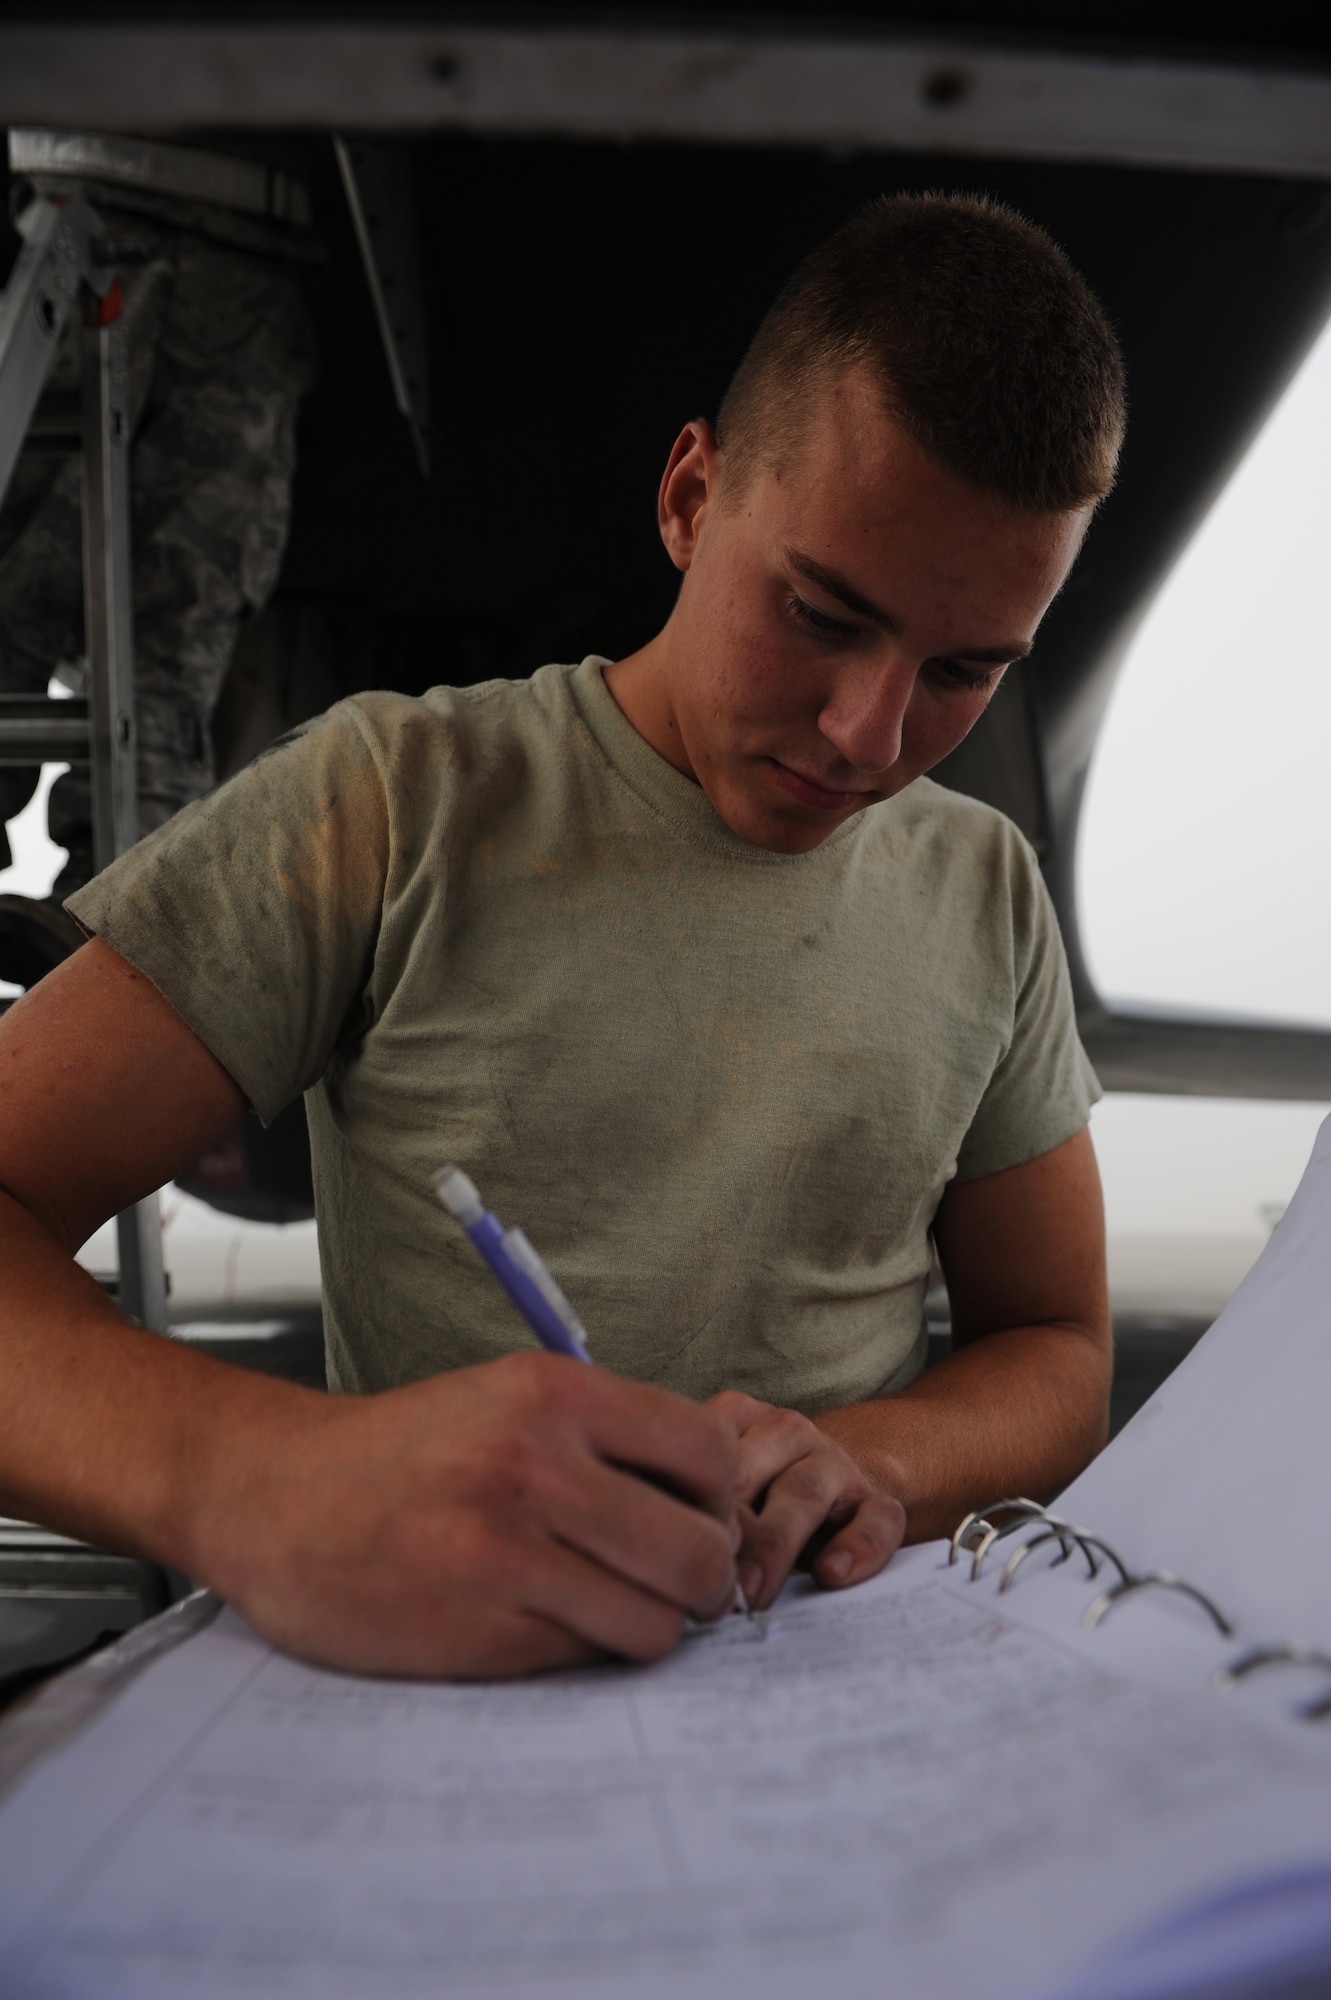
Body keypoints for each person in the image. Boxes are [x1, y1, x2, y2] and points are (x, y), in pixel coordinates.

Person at [0, 192, 1124, 1680]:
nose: (867, 732)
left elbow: (1053, 1347)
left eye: (963, 671)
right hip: (449, 1739)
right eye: (818, 612)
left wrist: (880, 1459)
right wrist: (254, 1477)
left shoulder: (984, 888)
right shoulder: (391, 804)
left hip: (839, 1731)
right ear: (686, 497)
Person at [0, 126, 319, 980]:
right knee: (27, 604)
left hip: (250, 232)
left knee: (171, 640)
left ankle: (115, 954)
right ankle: (116, 952)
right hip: (87, 199)